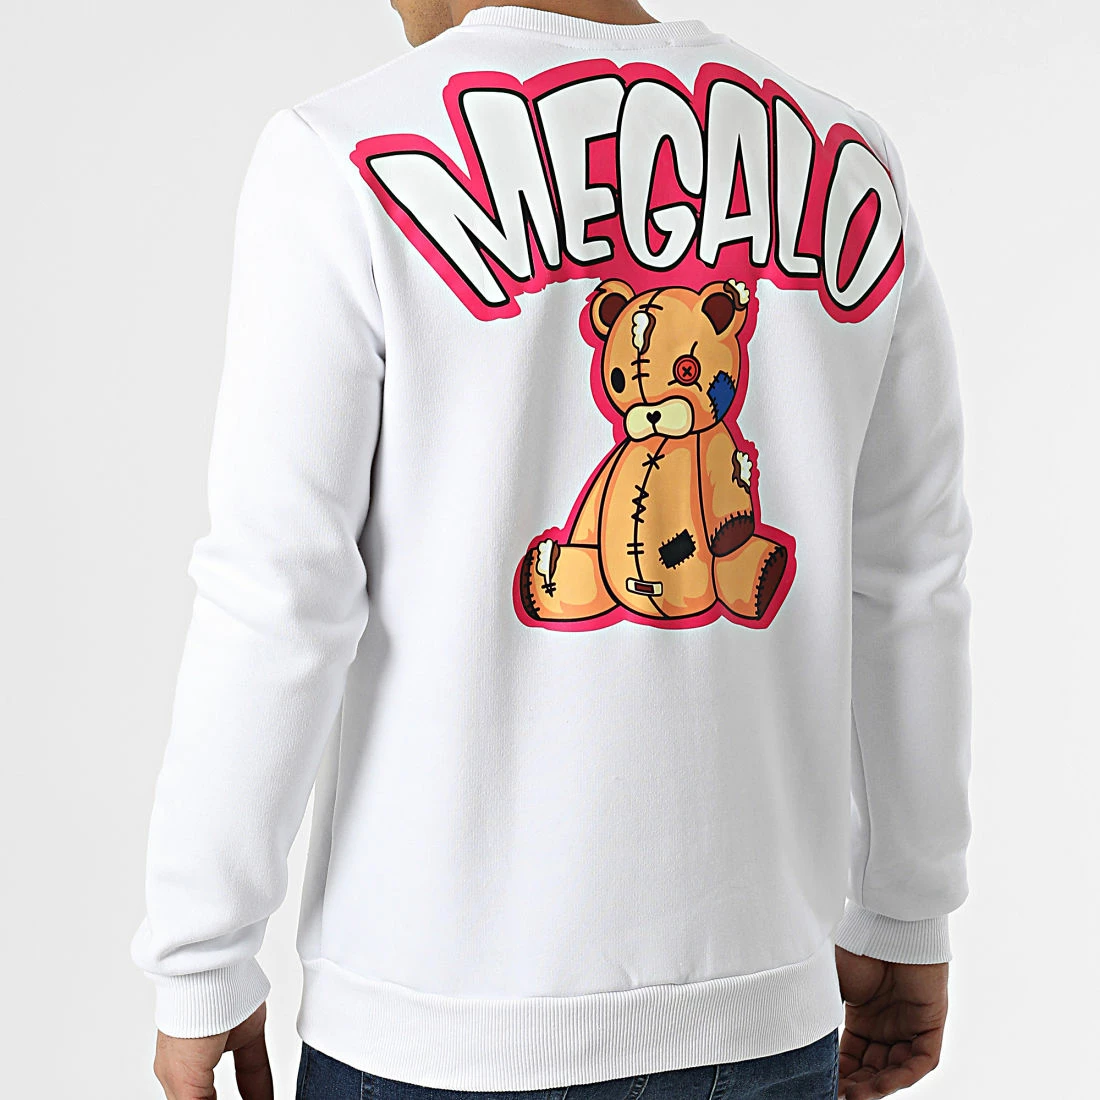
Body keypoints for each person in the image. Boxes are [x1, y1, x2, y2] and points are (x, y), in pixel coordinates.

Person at [132, 2, 974, 1099]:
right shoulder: (846, 156)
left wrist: (201, 957)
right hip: (762, 1006)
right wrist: (906, 908)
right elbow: (908, 577)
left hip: (441, 1022)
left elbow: (279, 591)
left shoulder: (335, 156)